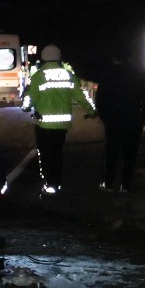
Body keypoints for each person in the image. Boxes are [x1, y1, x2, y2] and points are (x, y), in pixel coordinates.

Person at [20, 44, 95, 196]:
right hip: (62, 125)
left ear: (44, 58)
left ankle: (50, 184)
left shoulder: (38, 76)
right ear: (59, 57)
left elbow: (30, 101)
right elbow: (81, 96)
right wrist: (92, 111)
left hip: (43, 125)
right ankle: (56, 182)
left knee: (46, 155)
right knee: (57, 154)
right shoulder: (69, 75)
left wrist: (25, 106)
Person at [95, 43, 145, 193]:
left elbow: (100, 100)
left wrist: (104, 117)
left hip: (113, 121)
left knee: (111, 152)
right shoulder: (139, 75)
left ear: (114, 58)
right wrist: (143, 118)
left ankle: (108, 183)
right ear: (130, 57)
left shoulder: (107, 75)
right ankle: (125, 185)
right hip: (133, 120)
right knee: (130, 154)